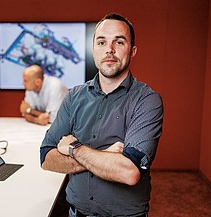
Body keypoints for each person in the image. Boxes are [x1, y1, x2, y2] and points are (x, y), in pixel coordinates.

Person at [40, 13, 164, 217]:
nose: (110, 49)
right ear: (93, 50)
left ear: (132, 51)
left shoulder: (147, 100)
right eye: (102, 41)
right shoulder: (74, 97)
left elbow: (129, 171)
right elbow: (46, 158)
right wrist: (106, 155)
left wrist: (74, 148)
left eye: (119, 42)